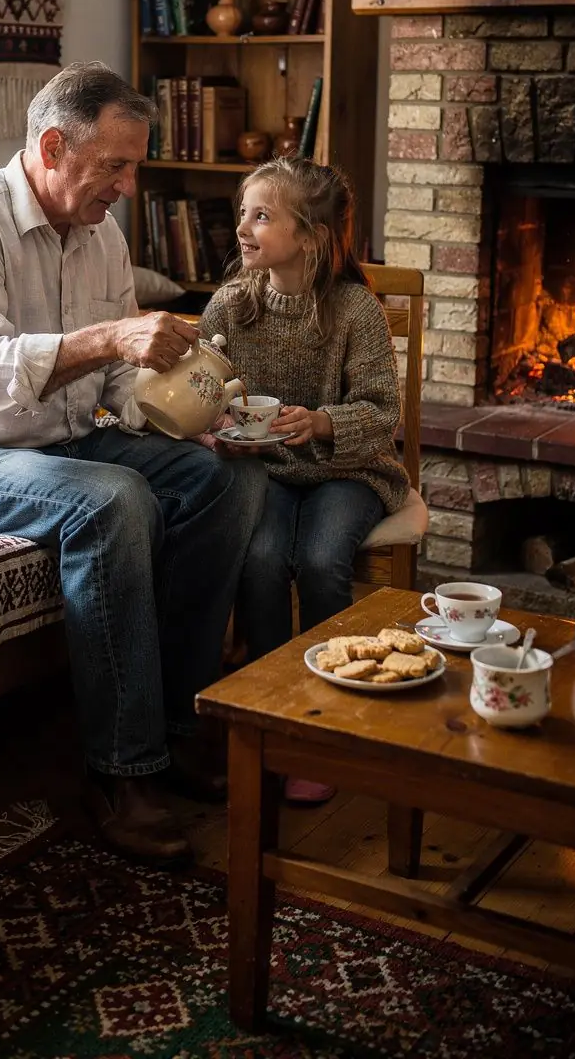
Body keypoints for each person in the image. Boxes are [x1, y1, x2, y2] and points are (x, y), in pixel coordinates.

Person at [0, 61, 267, 865]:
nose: (127, 185)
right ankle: (124, 772)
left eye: (134, 165)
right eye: (114, 166)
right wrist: (111, 339)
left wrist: (189, 410)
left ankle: (179, 726)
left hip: (58, 443)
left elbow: (118, 382)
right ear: (53, 146)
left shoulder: (102, 232)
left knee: (224, 478)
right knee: (111, 499)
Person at [198, 159, 408, 801]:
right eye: (242, 212)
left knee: (319, 561)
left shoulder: (354, 310)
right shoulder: (233, 305)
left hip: (347, 472)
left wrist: (320, 422)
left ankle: (327, 725)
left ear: (311, 236)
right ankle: (272, 713)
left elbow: (383, 414)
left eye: (261, 215)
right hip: (266, 469)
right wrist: (213, 425)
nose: (242, 226)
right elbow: (202, 386)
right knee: (260, 559)